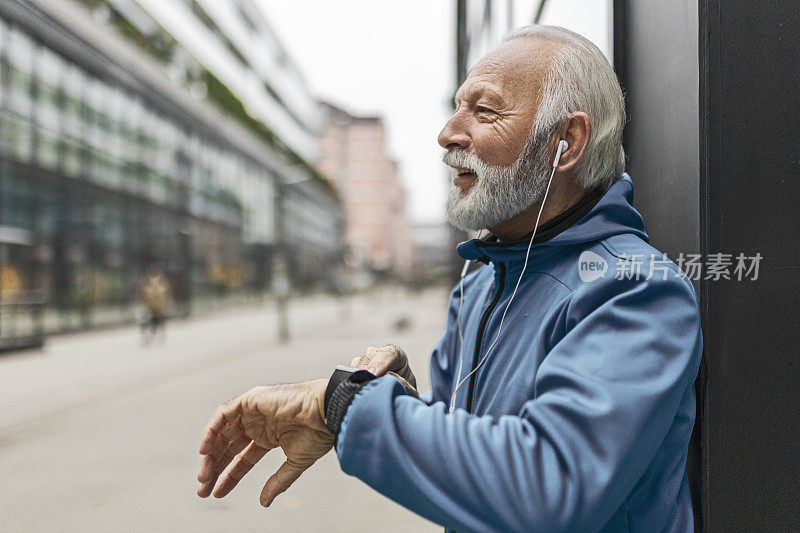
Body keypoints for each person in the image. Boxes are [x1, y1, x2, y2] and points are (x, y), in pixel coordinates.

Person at [196, 25, 702, 532]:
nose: (448, 133)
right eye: (458, 107)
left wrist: (345, 404)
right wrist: (397, 395)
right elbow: (470, 450)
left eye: (484, 111)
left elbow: (549, 489)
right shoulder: (479, 287)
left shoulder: (634, 290)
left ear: (565, 144)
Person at [140, 266, 171, 345]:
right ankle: (153, 336)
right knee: (156, 323)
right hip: (156, 308)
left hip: (153, 308)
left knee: (150, 323)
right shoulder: (162, 286)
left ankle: (149, 337)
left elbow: (144, 298)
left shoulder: (147, 287)